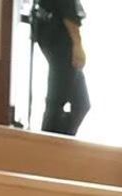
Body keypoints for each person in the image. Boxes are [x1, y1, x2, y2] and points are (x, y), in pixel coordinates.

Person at [32, 0, 89, 136]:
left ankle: (60, 138)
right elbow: (67, 12)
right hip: (61, 41)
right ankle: (50, 142)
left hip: (52, 36)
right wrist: (77, 44)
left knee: (80, 103)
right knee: (57, 102)